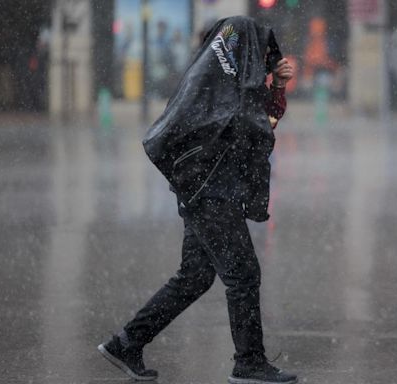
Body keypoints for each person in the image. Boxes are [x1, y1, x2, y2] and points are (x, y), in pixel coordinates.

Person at [97, 16, 296, 384]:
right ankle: (249, 363)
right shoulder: (213, 88)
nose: (264, 61)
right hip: (210, 195)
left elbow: (264, 120)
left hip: (205, 193)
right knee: (244, 274)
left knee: (195, 277)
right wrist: (272, 87)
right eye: (261, 53)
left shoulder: (223, 85)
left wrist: (277, 85)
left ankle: (126, 343)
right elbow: (256, 124)